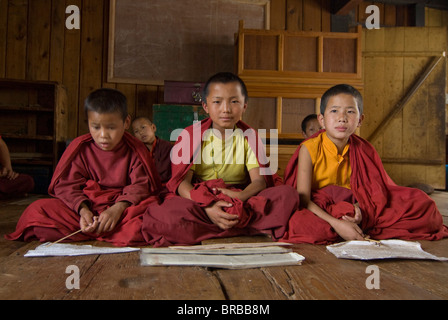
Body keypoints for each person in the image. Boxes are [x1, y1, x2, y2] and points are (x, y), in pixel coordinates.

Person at [141, 72, 299, 247]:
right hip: (202, 199)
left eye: (234, 101)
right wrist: (207, 207)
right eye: (217, 102)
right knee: (166, 215)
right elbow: (181, 184)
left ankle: (215, 228)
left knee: (287, 195)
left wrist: (240, 196)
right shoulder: (190, 136)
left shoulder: (249, 137)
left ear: (244, 106)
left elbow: (259, 182)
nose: (226, 109)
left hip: (242, 197)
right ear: (205, 106)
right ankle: (243, 227)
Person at [282, 84, 448, 244]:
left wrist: (360, 208)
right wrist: (336, 223)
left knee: (423, 205)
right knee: (299, 224)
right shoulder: (309, 148)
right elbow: (303, 199)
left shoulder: (364, 149)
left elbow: (377, 191)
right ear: (322, 120)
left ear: (360, 120)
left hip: (356, 205)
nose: (342, 118)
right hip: (320, 208)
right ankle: (345, 228)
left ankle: (353, 225)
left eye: (350, 111)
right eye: (334, 111)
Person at [5, 88, 161, 247]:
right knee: (37, 210)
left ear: (126, 122)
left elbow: (141, 185)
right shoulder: (81, 148)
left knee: (157, 216)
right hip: (88, 207)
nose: (103, 135)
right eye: (96, 127)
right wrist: (83, 210)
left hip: (124, 210)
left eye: (111, 128)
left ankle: (93, 232)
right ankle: (101, 230)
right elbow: (67, 186)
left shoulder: (135, 149)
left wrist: (118, 208)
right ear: (88, 123)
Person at [132, 117, 173, 184]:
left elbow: (167, 172)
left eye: (143, 127)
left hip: (164, 184)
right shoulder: (136, 151)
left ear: (153, 127)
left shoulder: (166, 146)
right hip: (144, 184)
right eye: (136, 131)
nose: (141, 132)